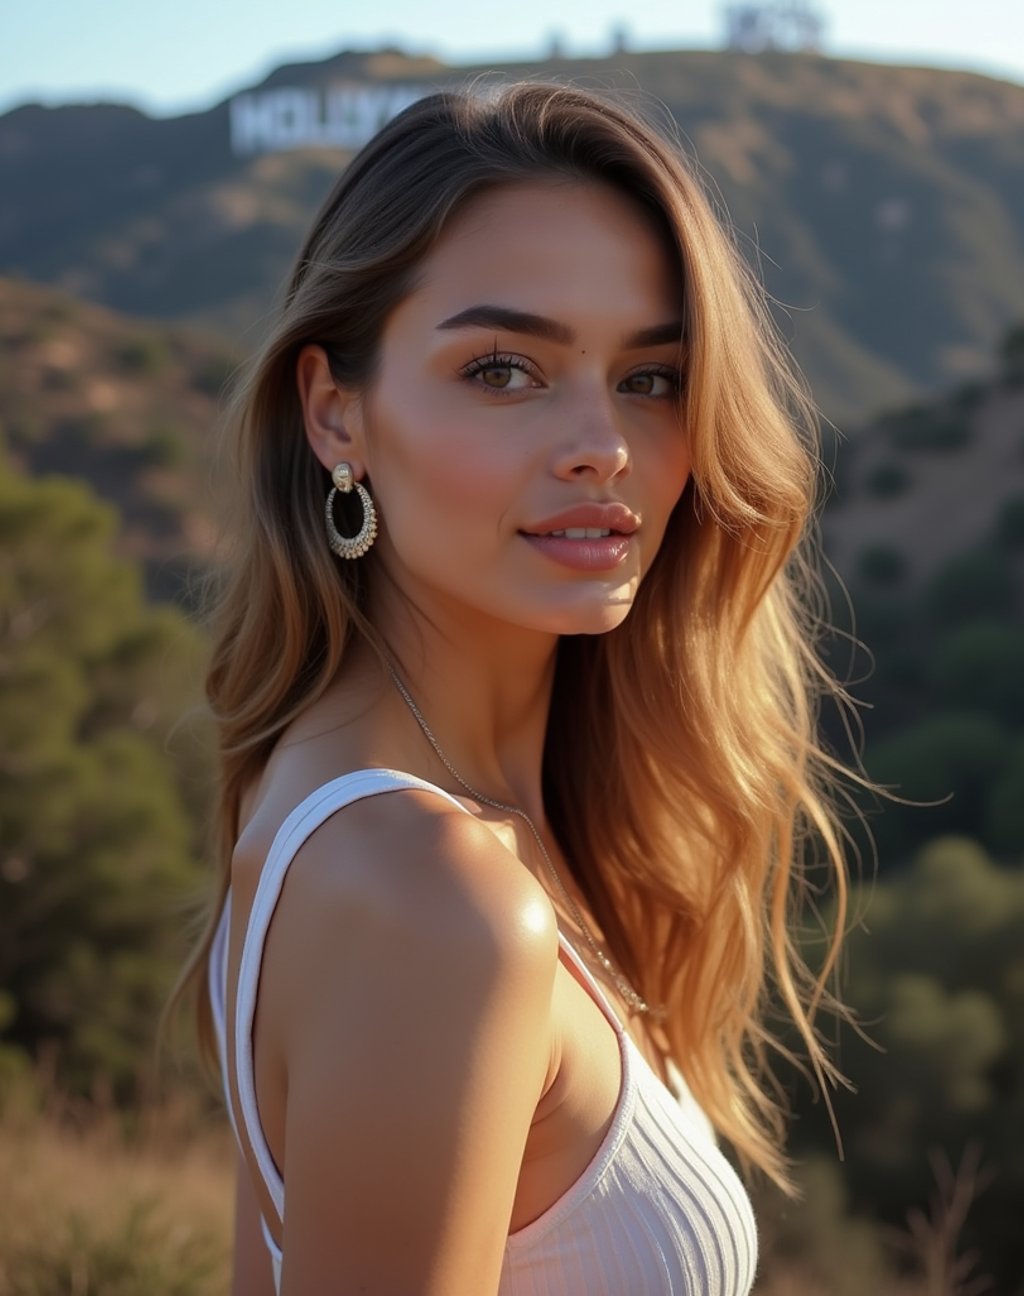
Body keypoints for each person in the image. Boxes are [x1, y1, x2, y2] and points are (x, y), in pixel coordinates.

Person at [168, 80, 865, 1294]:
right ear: (338, 414)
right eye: (503, 370)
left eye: (650, 378)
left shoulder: (393, 816)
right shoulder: (431, 895)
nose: (602, 443)